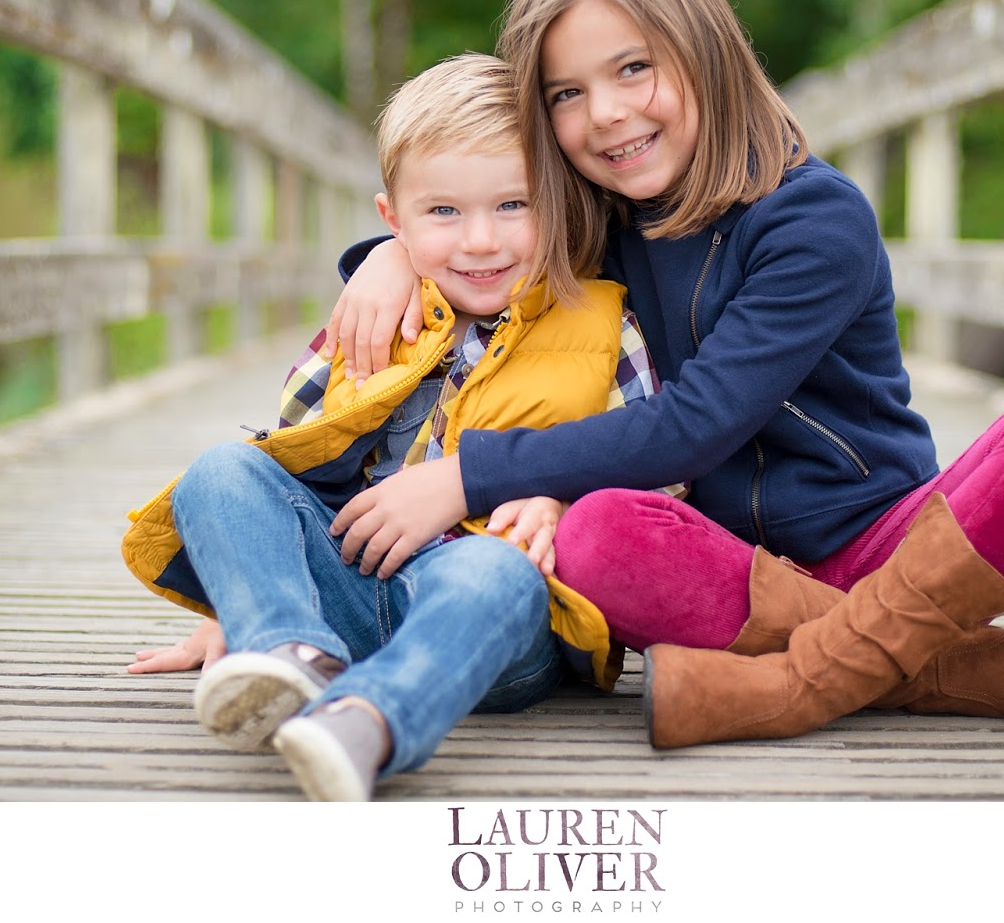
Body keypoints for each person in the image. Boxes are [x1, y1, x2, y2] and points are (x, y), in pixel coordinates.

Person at [324, 0, 1004, 750]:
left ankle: (793, 686)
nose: (606, 114)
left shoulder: (814, 220)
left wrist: (470, 476)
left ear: (704, 48)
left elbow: (696, 424)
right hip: (718, 567)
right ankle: (942, 662)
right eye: (566, 94)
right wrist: (388, 257)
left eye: (634, 68)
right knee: (596, 535)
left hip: (882, 546)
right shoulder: (600, 216)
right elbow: (486, 261)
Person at [121, 52, 680, 799]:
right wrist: (242, 599)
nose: (480, 240)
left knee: (496, 572)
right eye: (443, 212)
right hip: (355, 582)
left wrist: (560, 501)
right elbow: (289, 463)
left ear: (562, 202)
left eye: (513, 205)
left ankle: (369, 721)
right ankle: (286, 650)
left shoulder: (606, 328)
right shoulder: (374, 313)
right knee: (222, 469)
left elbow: (656, 480)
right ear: (394, 220)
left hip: (491, 615)